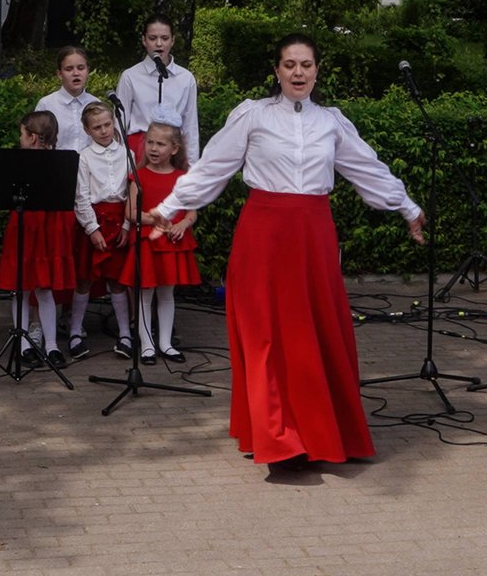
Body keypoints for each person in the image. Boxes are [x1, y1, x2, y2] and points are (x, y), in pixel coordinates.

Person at [147, 34, 425, 467]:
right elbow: (213, 167)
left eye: (306, 65)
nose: (298, 72)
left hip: (314, 235)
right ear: (276, 71)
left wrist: (407, 207)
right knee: (266, 335)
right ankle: (278, 439)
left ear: (317, 71)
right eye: (290, 65)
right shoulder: (253, 115)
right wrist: (168, 209)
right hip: (263, 235)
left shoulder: (331, 122)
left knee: (318, 330)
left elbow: (367, 169)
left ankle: (322, 434)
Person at [0, 111, 80, 367]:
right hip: (26, 224)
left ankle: (51, 345)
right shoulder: (17, 163)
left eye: (22, 134)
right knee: (21, 286)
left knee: (45, 287)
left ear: (33, 137)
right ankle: (23, 345)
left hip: (47, 226)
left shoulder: (60, 163)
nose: (19, 139)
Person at [124, 117, 201, 365]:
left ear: (174, 149)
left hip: (172, 244)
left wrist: (182, 224)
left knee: (167, 293)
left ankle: (166, 343)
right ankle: (147, 345)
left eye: (160, 144)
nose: (154, 148)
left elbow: (191, 213)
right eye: (150, 142)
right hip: (148, 242)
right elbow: (131, 212)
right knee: (145, 293)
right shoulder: (139, 175)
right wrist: (154, 219)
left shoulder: (182, 177)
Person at [38, 46, 99, 350]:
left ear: (88, 71)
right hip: (58, 186)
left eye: (81, 67)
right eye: (69, 68)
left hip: (89, 187)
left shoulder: (97, 105)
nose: (76, 73)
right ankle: (42, 321)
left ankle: (71, 318)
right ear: (59, 73)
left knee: (81, 255)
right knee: (57, 253)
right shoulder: (47, 104)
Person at [73, 101, 135, 360]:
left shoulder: (128, 154)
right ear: (87, 131)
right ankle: (75, 331)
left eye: (107, 124)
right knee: (85, 278)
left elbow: (132, 192)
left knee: (117, 280)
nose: (104, 131)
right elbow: (81, 196)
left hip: (119, 220)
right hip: (94, 221)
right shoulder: (84, 157)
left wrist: (127, 225)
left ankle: (125, 334)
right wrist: (92, 229)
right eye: (97, 127)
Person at [115, 16, 201, 165]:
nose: (159, 44)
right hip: (138, 150)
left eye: (165, 38)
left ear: (172, 40)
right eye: (152, 38)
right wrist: (119, 161)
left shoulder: (186, 78)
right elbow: (120, 122)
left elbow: (190, 127)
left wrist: (193, 167)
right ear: (144, 40)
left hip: (174, 152)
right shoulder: (130, 76)